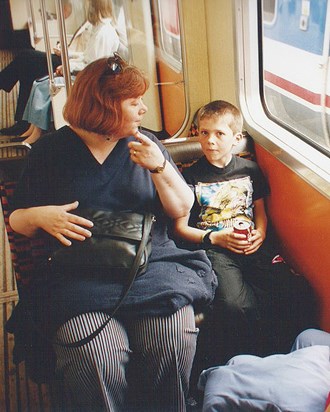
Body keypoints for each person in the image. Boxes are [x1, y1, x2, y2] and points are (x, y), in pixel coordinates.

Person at [7, 54, 217, 412]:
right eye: (134, 102)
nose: (144, 109)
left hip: (151, 265)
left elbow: (182, 208)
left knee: (172, 339)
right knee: (94, 356)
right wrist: (40, 216)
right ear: (104, 105)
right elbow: (17, 220)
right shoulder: (50, 152)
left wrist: (160, 167)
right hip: (76, 275)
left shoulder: (147, 143)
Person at [173, 100, 316, 368]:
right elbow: (179, 228)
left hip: (251, 244)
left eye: (219, 134)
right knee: (237, 307)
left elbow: (259, 209)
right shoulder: (190, 177)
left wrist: (260, 233)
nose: (210, 141)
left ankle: (287, 358)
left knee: (297, 291)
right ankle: (247, 363)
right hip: (215, 249)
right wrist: (214, 238)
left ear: (236, 138)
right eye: (203, 133)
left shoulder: (248, 170)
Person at [16, 0, 120, 145]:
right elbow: (87, 57)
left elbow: (94, 65)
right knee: (38, 83)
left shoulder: (104, 33)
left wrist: (68, 67)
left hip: (91, 79)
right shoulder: (99, 29)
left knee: (44, 86)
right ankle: (33, 128)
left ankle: (38, 133)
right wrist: (68, 61)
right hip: (86, 72)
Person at [0, 0, 74, 136]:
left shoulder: (103, 32)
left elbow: (90, 60)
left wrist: (68, 57)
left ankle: (22, 121)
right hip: (66, 58)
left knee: (26, 57)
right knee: (26, 68)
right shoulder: (91, 26)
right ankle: (22, 122)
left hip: (70, 65)